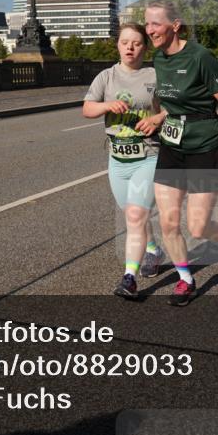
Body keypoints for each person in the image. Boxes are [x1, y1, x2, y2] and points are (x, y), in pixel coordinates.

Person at [142, 0, 218, 306]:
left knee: (198, 226)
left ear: (174, 25)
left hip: (205, 144)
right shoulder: (159, 60)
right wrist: (158, 118)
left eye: (156, 24)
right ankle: (186, 279)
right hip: (173, 147)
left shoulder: (201, 57)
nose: (150, 31)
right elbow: (173, 105)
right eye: (147, 24)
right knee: (168, 223)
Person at [83, 23, 165, 299]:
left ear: (145, 46)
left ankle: (129, 278)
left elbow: (173, 109)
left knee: (135, 215)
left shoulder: (155, 75)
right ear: (118, 46)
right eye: (125, 42)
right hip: (117, 159)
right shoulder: (106, 77)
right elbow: (87, 108)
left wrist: (156, 118)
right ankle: (153, 249)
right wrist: (106, 106)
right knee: (134, 215)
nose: (130, 47)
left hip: (148, 155)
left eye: (136, 43)